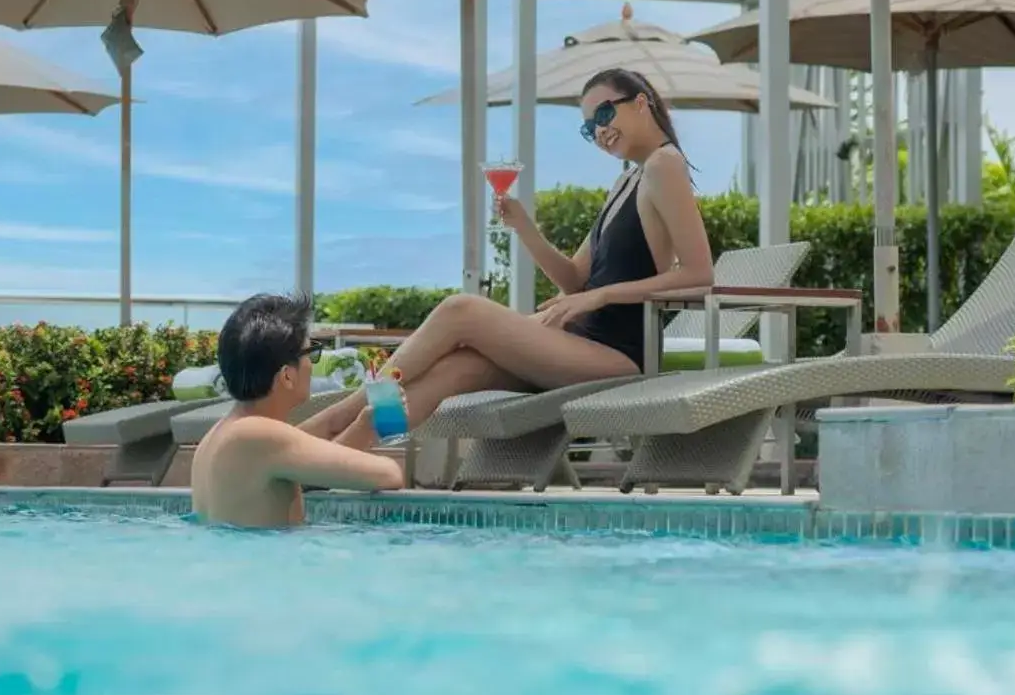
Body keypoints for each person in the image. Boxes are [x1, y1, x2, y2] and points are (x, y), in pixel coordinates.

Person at [300, 68, 713, 452]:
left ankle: (338, 415)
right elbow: (573, 280)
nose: (601, 130)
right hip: (578, 343)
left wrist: (599, 297)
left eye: (605, 113)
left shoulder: (665, 165)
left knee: (461, 309)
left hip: (617, 354)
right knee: (456, 370)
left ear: (641, 102)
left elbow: (699, 274)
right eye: (590, 127)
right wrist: (525, 229)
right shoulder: (627, 179)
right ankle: (347, 450)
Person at [190, 292, 404, 528]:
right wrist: (368, 426)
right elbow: (390, 474)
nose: (311, 365)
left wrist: (364, 426)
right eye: (310, 353)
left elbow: (315, 465)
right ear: (287, 376)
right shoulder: (256, 434)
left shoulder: (216, 437)